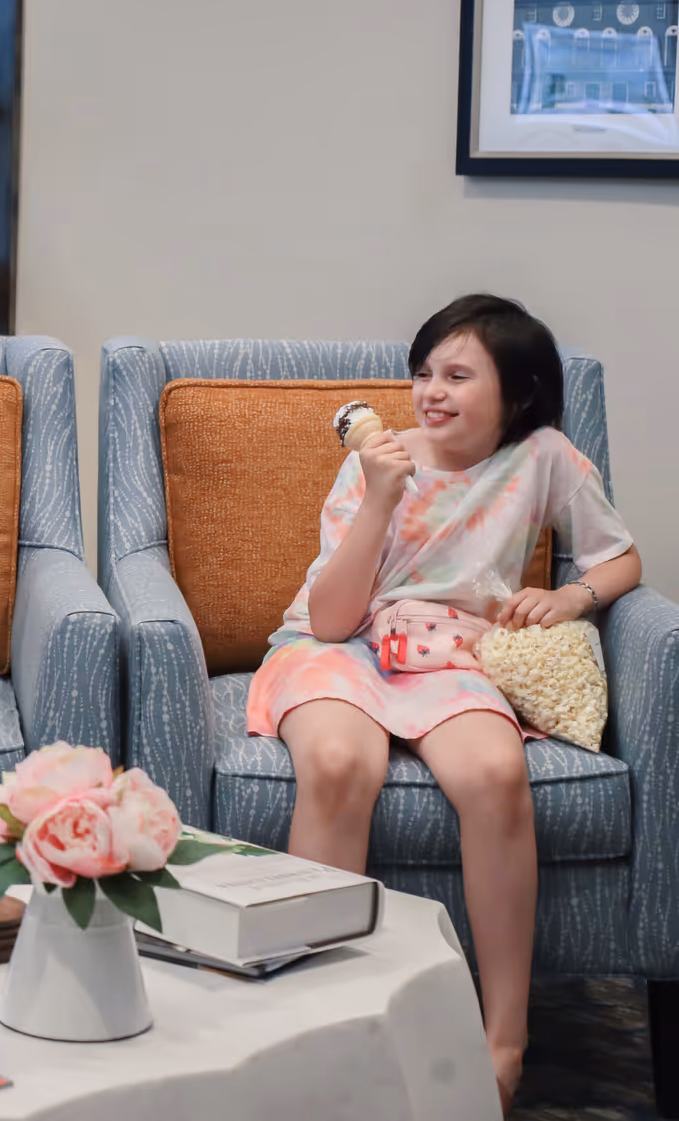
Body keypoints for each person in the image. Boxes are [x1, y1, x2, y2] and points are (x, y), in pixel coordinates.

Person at [245, 294, 641, 1112]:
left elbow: (619, 556)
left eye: (458, 375)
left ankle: (503, 1040)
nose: (431, 391)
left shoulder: (544, 458)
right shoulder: (376, 461)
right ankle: (317, 1027)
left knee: (497, 774)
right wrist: (384, 495)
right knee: (335, 761)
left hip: (450, 654)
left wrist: (571, 599)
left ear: (518, 393)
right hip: (340, 648)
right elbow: (329, 617)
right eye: (424, 372)